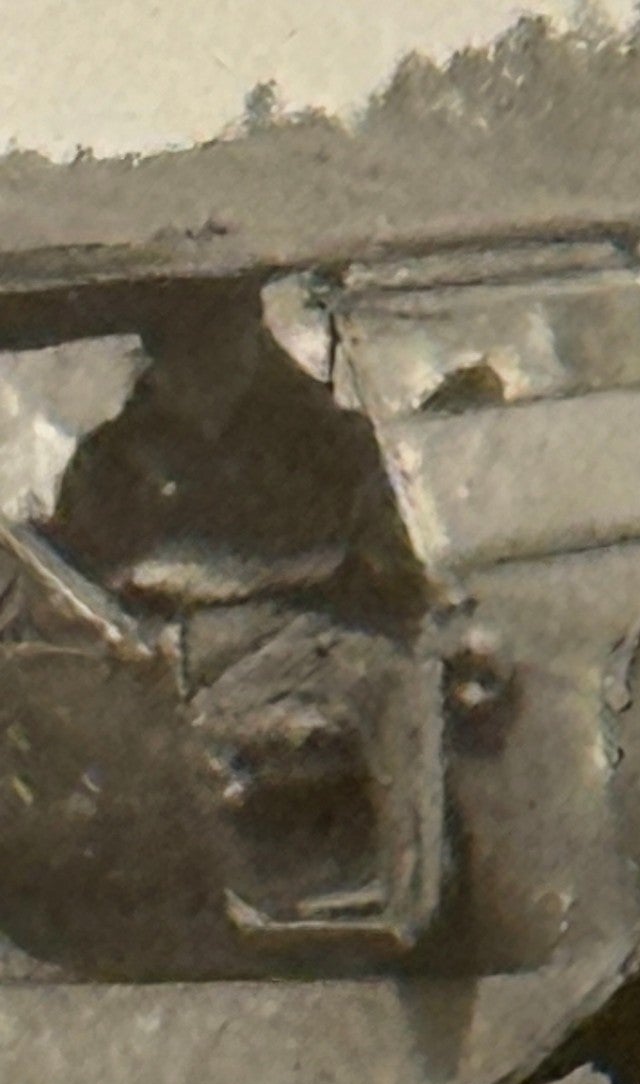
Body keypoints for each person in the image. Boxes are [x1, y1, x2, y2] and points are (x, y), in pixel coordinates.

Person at [43, 279, 443, 932]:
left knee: (397, 676)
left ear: (253, 332)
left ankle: (408, 905)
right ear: (158, 353)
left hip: (303, 651)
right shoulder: (112, 464)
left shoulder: (327, 441)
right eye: (188, 344)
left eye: (226, 335)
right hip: (156, 670)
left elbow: (395, 569)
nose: (210, 360)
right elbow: (75, 595)